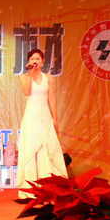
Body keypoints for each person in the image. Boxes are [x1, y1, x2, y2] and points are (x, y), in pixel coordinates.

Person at [16, 49, 67, 198]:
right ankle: (30, 191)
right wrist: (30, 73)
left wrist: (55, 118)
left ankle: (51, 189)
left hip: (45, 116)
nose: (35, 61)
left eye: (38, 59)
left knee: (47, 148)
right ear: (28, 61)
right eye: (32, 59)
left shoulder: (48, 77)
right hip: (31, 117)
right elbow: (27, 92)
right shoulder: (24, 76)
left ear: (43, 61)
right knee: (31, 150)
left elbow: (52, 98)